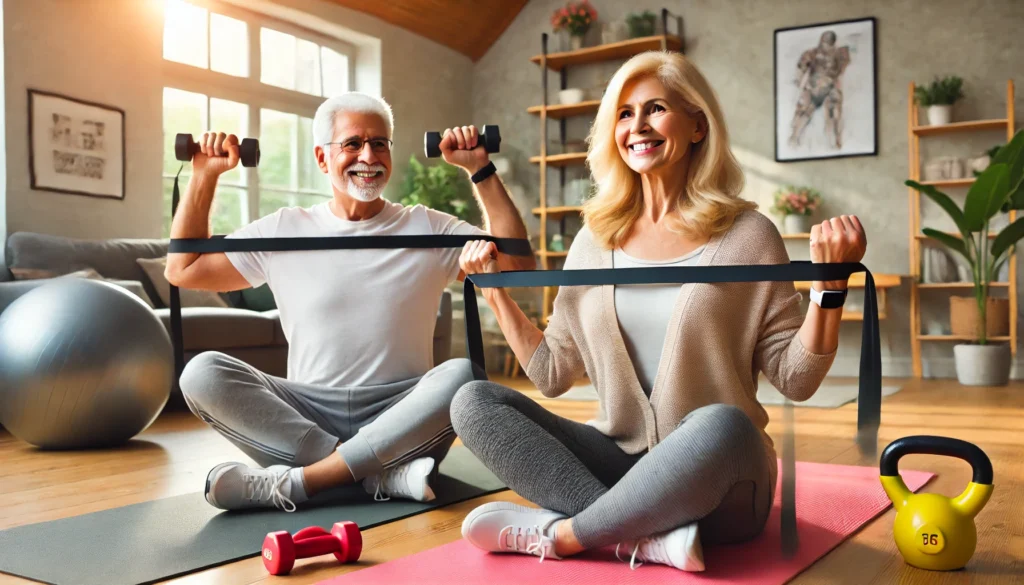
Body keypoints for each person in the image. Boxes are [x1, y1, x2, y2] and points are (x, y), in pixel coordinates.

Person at [451, 51, 866, 572]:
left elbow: (797, 378)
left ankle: (570, 535)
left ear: (697, 125)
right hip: (619, 469)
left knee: (721, 423)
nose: (637, 127)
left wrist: (830, 289)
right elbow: (552, 374)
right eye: (624, 113)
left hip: (723, 483)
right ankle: (643, 539)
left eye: (655, 109)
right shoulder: (592, 240)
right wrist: (494, 292)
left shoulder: (748, 236)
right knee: (472, 401)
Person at [166, 91, 534, 512]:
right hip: (305, 416)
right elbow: (184, 269)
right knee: (202, 373)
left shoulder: (426, 226)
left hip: (399, 415)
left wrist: (480, 168)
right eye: (353, 144)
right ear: (323, 159)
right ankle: (377, 476)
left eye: (380, 143)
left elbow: (517, 263)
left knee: (463, 375)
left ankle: (305, 482)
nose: (368, 155)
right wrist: (204, 175)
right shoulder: (284, 230)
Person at [789, 30, 850, 150]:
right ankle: (794, 138)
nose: (826, 47)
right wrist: (799, 80)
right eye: (824, 43)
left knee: (834, 115)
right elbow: (801, 67)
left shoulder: (840, 54)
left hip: (830, 87)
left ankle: (836, 143)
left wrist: (830, 80)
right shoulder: (812, 53)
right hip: (813, 87)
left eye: (828, 44)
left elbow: (841, 70)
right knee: (803, 112)